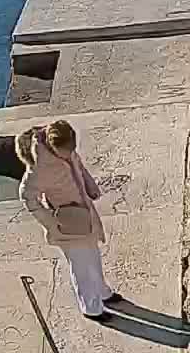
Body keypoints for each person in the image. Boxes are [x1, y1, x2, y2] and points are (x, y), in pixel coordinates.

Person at [19, 121, 117, 320]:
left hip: (83, 215)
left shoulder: (67, 150)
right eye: (67, 151)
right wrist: (51, 222)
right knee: (80, 266)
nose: (71, 152)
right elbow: (27, 196)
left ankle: (103, 292)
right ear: (54, 147)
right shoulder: (40, 169)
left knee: (93, 256)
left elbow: (79, 166)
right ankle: (91, 308)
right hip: (68, 224)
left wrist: (91, 187)